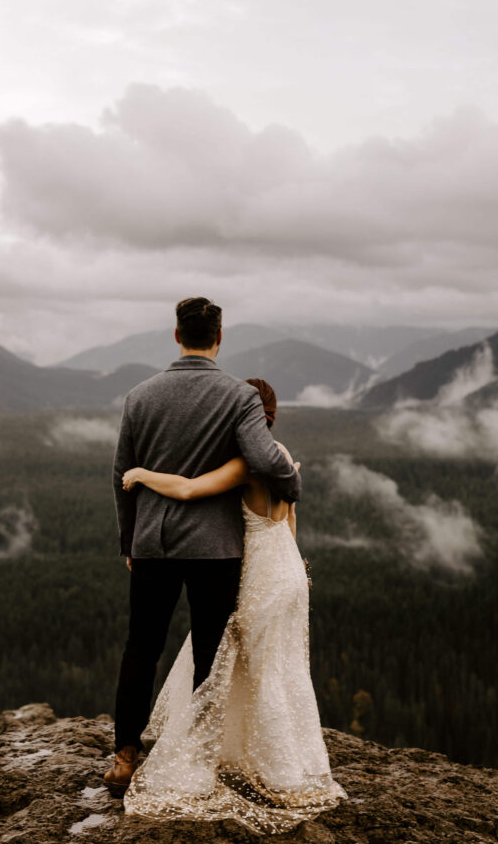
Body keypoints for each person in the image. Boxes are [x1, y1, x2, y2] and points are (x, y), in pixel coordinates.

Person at [121, 378, 346, 834]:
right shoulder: (282, 460)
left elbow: (186, 490)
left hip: (261, 572)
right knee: (279, 666)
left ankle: (239, 755)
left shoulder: (247, 464)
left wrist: (140, 474)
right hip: (288, 570)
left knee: (237, 661)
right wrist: (293, 573)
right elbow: (291, 523)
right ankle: (283, 761)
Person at [104, 298, 301, 797]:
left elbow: (120, 476)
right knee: (210, 655)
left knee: (140, 650)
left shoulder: (139, 396)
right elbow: (261, 456)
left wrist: (130, 539)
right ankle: (195, 760)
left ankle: (125, 756)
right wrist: (292, 486)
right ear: (219, 338)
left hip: (152, 542)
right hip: (216, 548)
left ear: (176, 335)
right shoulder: (239, 397)